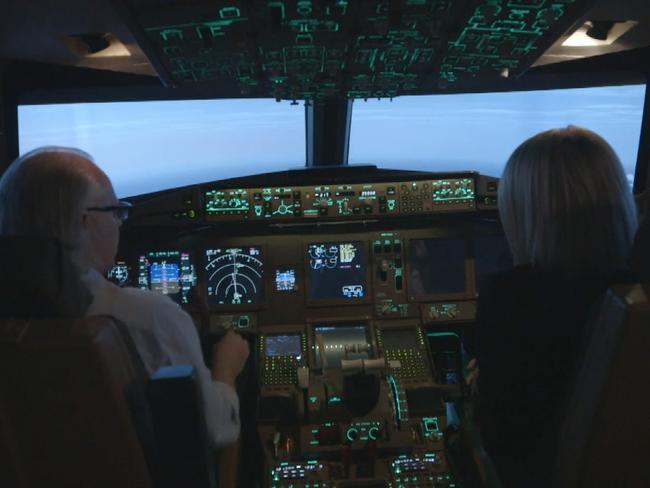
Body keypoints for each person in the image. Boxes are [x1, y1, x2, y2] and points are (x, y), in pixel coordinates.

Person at [0, 146, 249, 447]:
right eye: (115, 211)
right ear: (84, 221)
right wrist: (226, 369)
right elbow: (214, 429)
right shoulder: (149, 316)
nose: (119, 222)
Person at [473, 127, 638, 487]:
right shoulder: (637, 293)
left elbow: (499, 439)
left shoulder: (511, 299)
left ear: (523, 214)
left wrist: (476, 385)